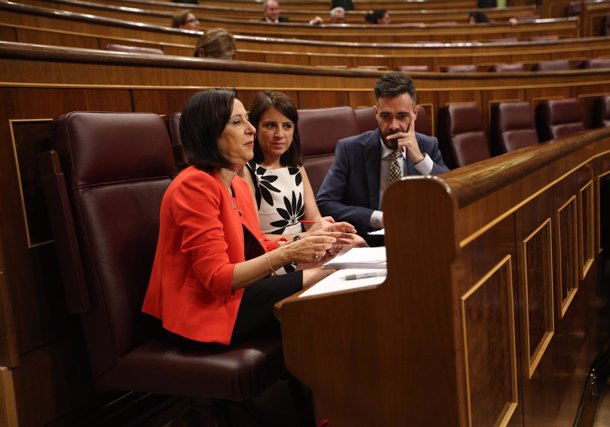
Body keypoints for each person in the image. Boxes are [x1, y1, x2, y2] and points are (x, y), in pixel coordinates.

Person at [142, 88, 350, 345]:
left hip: (235, 296)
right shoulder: (193, 185)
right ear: (210, 133)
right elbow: (217, 278)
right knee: (328, 278)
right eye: (237, 122)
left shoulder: (235, 183)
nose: (251, 129)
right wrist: (291, 252)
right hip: (202, 312)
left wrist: (311, 242)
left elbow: (255, 247)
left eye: (248, 120)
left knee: (333, 276)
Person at [315, 72, 449, 244]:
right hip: (370, 243)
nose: (393, 126)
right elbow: (325, 202)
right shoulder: (350, 149)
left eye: (402, 116)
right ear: (375, 113)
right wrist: (378, 218)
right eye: (386, 116)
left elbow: (450, 191)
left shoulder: (428, 146)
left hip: (420, 239)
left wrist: (420, 160)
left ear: (415, 113)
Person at [241, 91, 366, 267]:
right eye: (270, 126)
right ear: (255, 128)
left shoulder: (295, 166)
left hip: (307, 248)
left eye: (287, 126)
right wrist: (307, 237)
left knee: (356, 243)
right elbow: (255, 239)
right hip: (273, 257)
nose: (279, 134)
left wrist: (328, 230)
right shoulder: (246, 171)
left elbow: (313, 217)